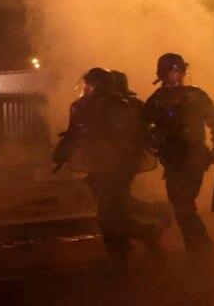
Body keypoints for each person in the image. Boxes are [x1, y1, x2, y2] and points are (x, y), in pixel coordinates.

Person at [52, 67, 161, 277]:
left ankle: (124, 257)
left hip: (118, 167)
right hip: (101, 166)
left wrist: (118, 161)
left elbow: (123, 139)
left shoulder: (117, 107)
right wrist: (62, 153)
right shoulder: (86, 107)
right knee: (118, 211)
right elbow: (76, 133)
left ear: (99, 86)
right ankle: (137, 240)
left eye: (89, 85)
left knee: (108, 216)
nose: (85, 89)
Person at [143, 53, 214, 262]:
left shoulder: (195, 95)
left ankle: (203, 251)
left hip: (194, 157)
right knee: (181, 207)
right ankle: (199, 250)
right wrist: (152, 138)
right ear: (162, 74)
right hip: (172, 160)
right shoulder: (157, 100)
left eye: (180, 69)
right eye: (172, 70)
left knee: (183, 204)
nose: (177, 75)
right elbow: (142, 124)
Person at [111, 70, 173, 229]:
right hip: (111, 158)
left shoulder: (132, 106)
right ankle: (148, 223)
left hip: (126, 158)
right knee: (115, 199)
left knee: (116, 199)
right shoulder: (110, 106)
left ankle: (146, 228)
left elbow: (144, 131)